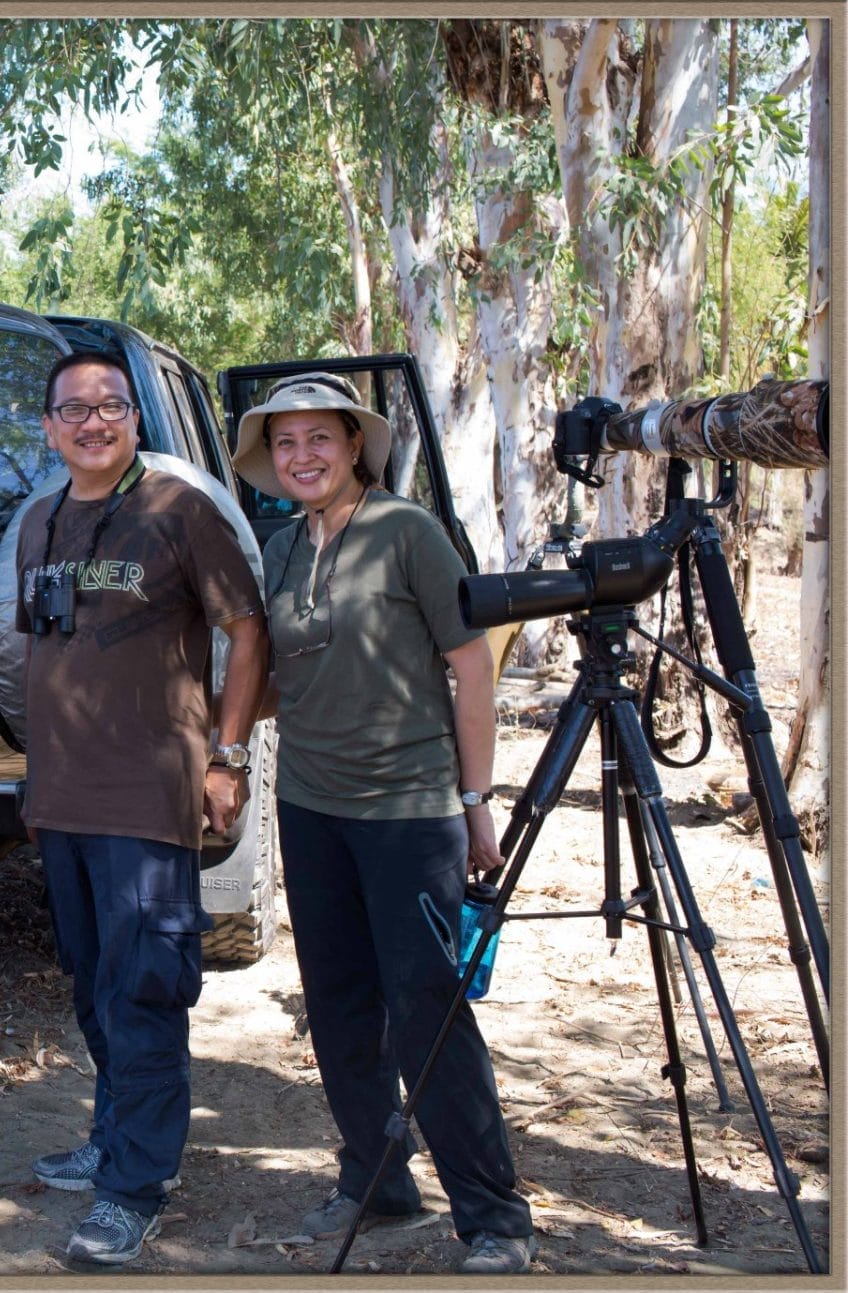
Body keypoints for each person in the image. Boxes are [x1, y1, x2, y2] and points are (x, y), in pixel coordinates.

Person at [230, 372, 536, 1274]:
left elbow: (471, 667)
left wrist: (476, 801)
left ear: (355, 444)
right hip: (310, 806)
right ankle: (378, 1178)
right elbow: (284, 676)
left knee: (426, 1009)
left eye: (319, 438)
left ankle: (494, 1216)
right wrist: (209, 733)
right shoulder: (282, 545)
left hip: (409, 809)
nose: (302, 456)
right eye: (285, 443)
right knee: (337, 1003)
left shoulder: (408, 532)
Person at [15, 351, 269, 1265]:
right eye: (74, 410)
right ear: (49, 427)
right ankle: (114, 1136)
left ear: (134, 419)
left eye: (110, 406)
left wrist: (227, 756)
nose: (93, 422)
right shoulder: (38, 521)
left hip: (148, 799)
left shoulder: (180, 509)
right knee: (92, 983)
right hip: (62, 799)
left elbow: (247, 630)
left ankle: (135, 1187)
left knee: (146, 989)